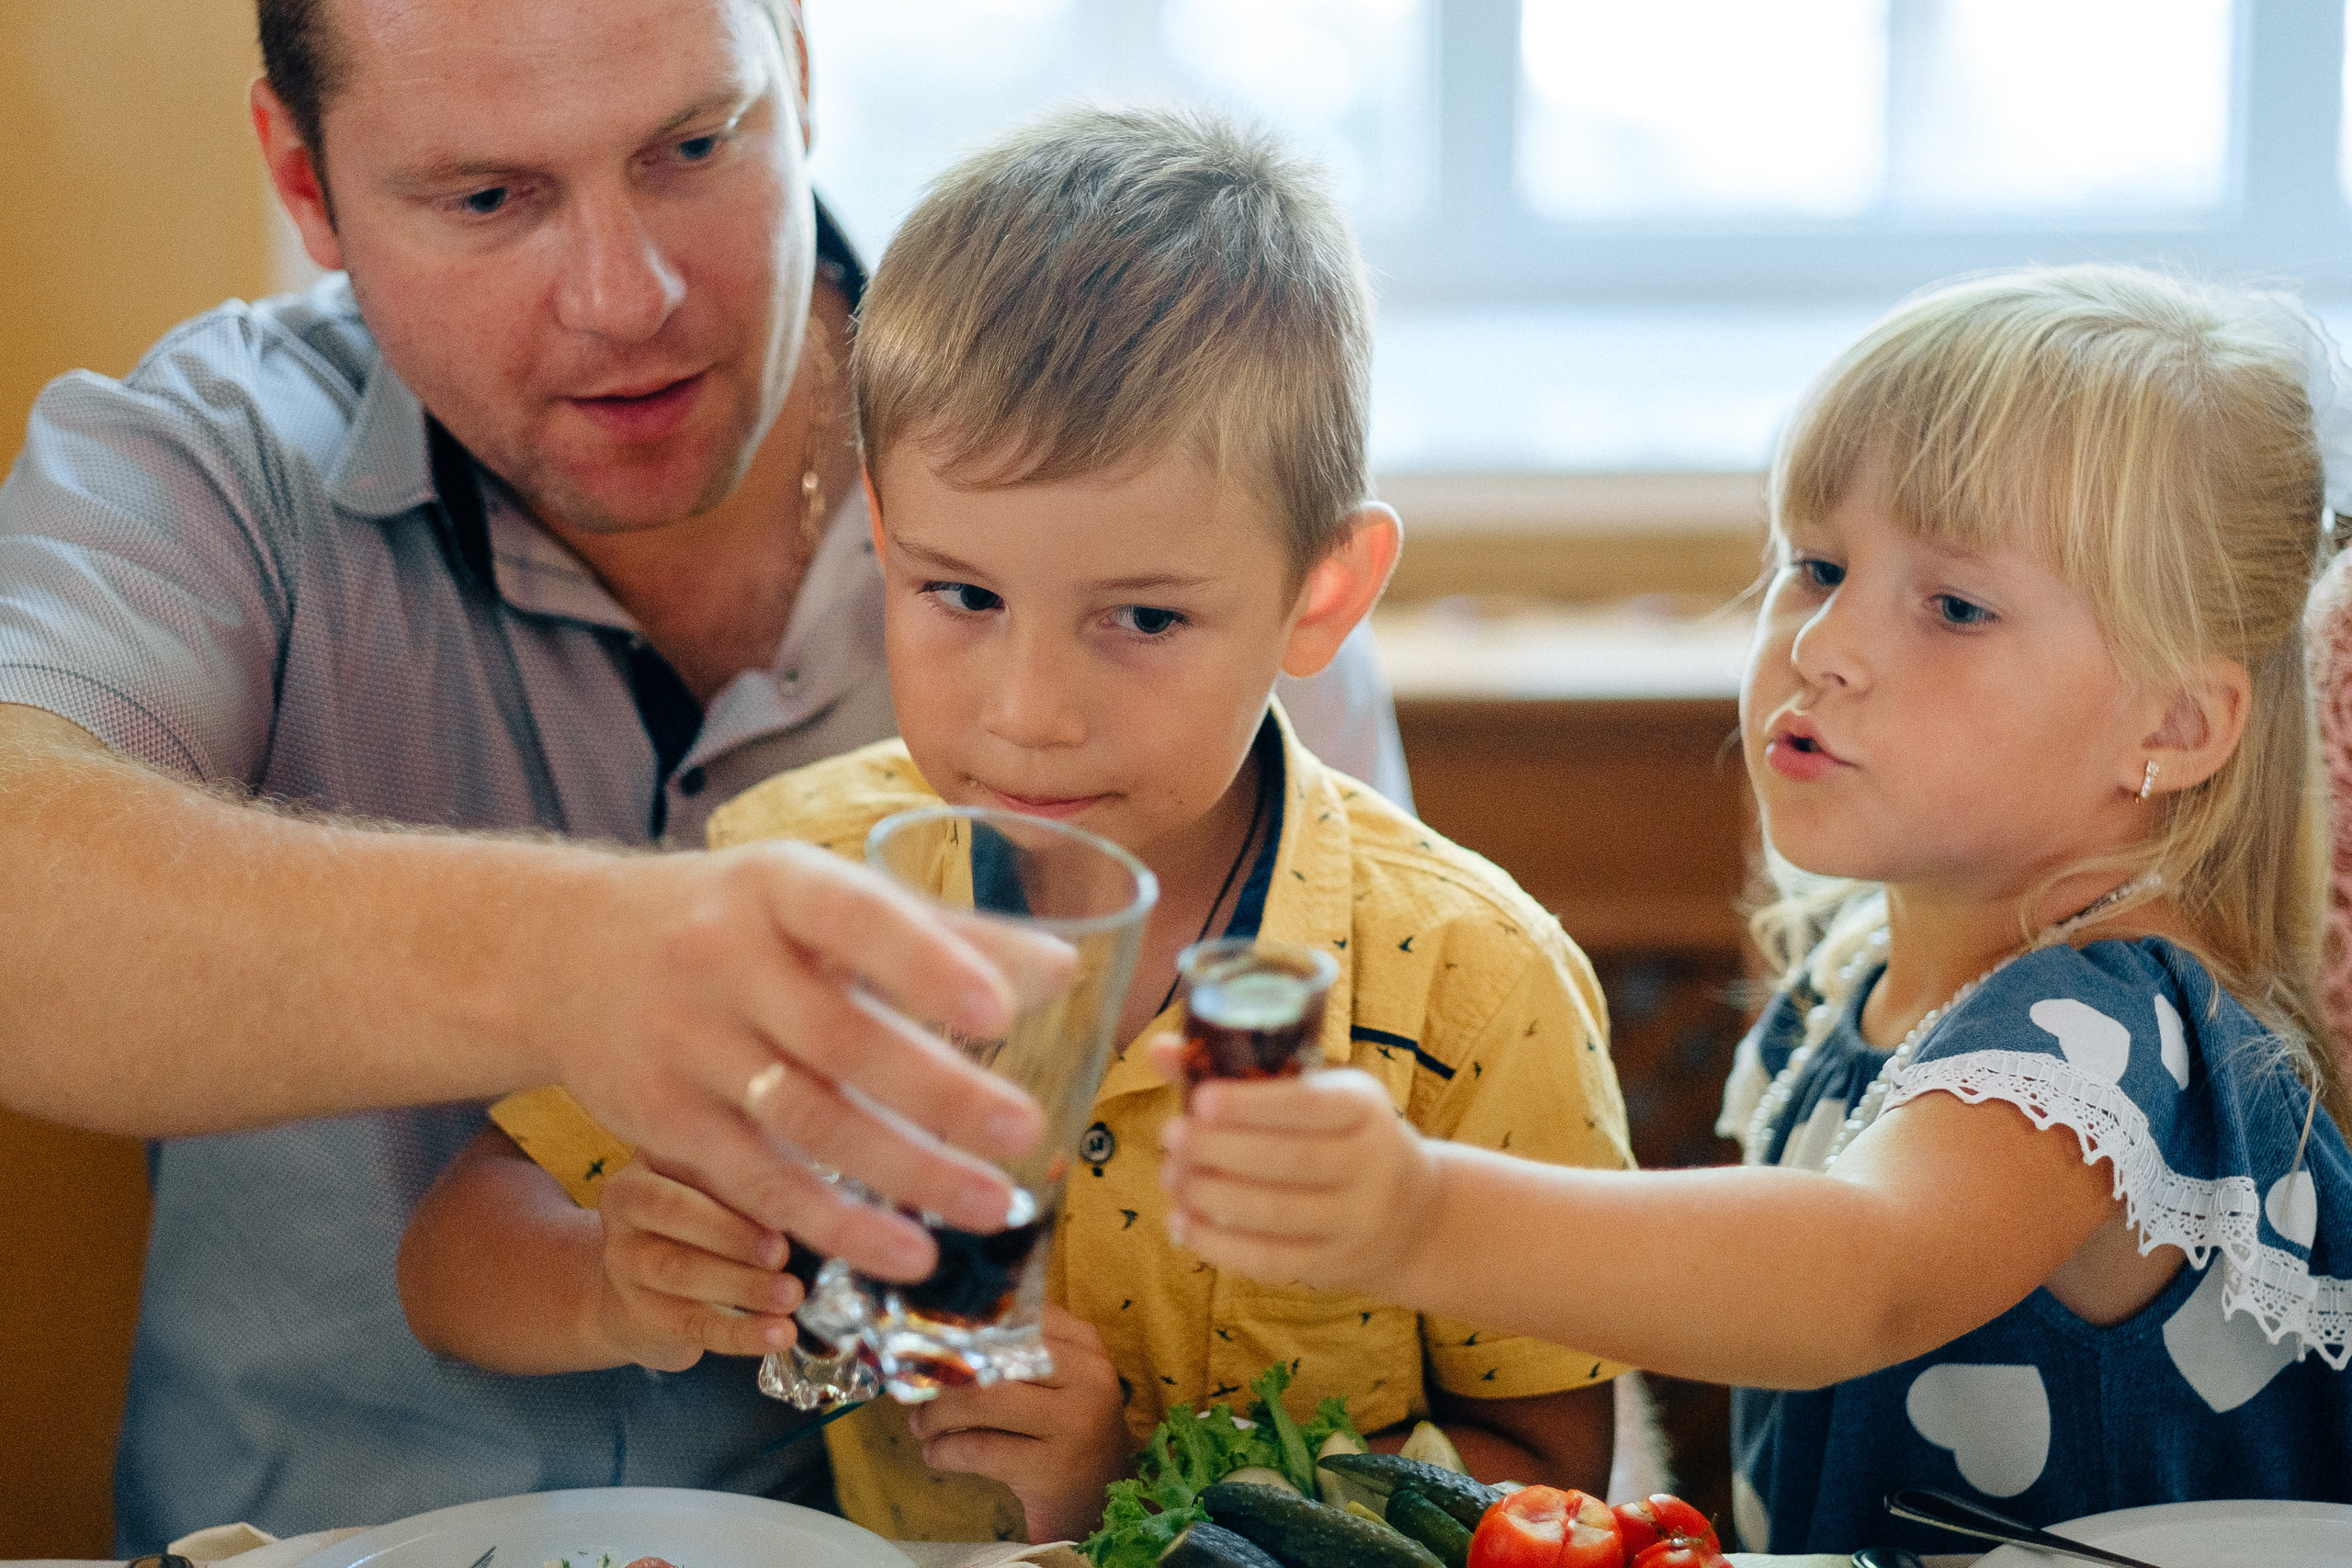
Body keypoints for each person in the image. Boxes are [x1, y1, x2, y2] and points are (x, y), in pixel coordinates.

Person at [0, 0, 1405, 1546]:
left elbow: (1372, 1303)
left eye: (690, 147)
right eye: (489, 196)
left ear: (796, 68)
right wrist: (572, 961)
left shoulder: (1164, 505)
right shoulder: (215, 462)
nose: (626, 299)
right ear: (303, 181)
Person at [399, 107, 1637, 1546]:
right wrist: (614, 1285)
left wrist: (1144, 1489)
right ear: (882, 536)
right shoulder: (793, 890)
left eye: (1144, 618)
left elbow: (1553, 1480)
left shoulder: (1475, 989)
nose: (1028, 713)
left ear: (1323, 594)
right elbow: (456, 1255)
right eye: (963, 596)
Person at [1158, 266, 2352, 1553]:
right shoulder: (1861, 983)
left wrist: (1419, 1214)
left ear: (2176, 725)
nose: (1823, 644)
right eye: (1816, 566)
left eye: (1955, 606)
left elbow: (1862, 1271)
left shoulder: (2108, 1035)